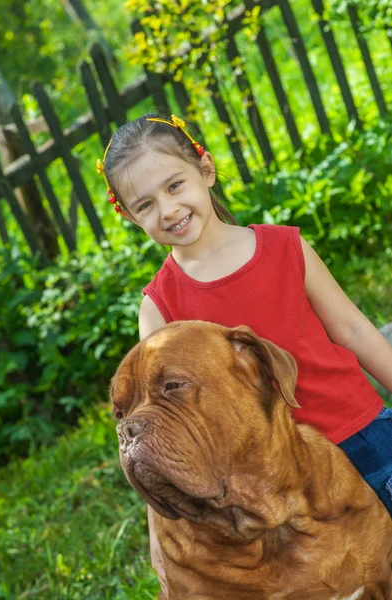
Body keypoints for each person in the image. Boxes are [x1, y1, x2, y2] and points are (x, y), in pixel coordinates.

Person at [97, 113, 392, 591]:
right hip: (272, 473)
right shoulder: (159, 305)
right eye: (146, 205)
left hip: (356, 430)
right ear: (129, 217)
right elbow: (162, 418)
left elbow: (354, 329)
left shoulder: (285, 246)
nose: (168, 210)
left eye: (175, 186)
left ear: (206, 170)